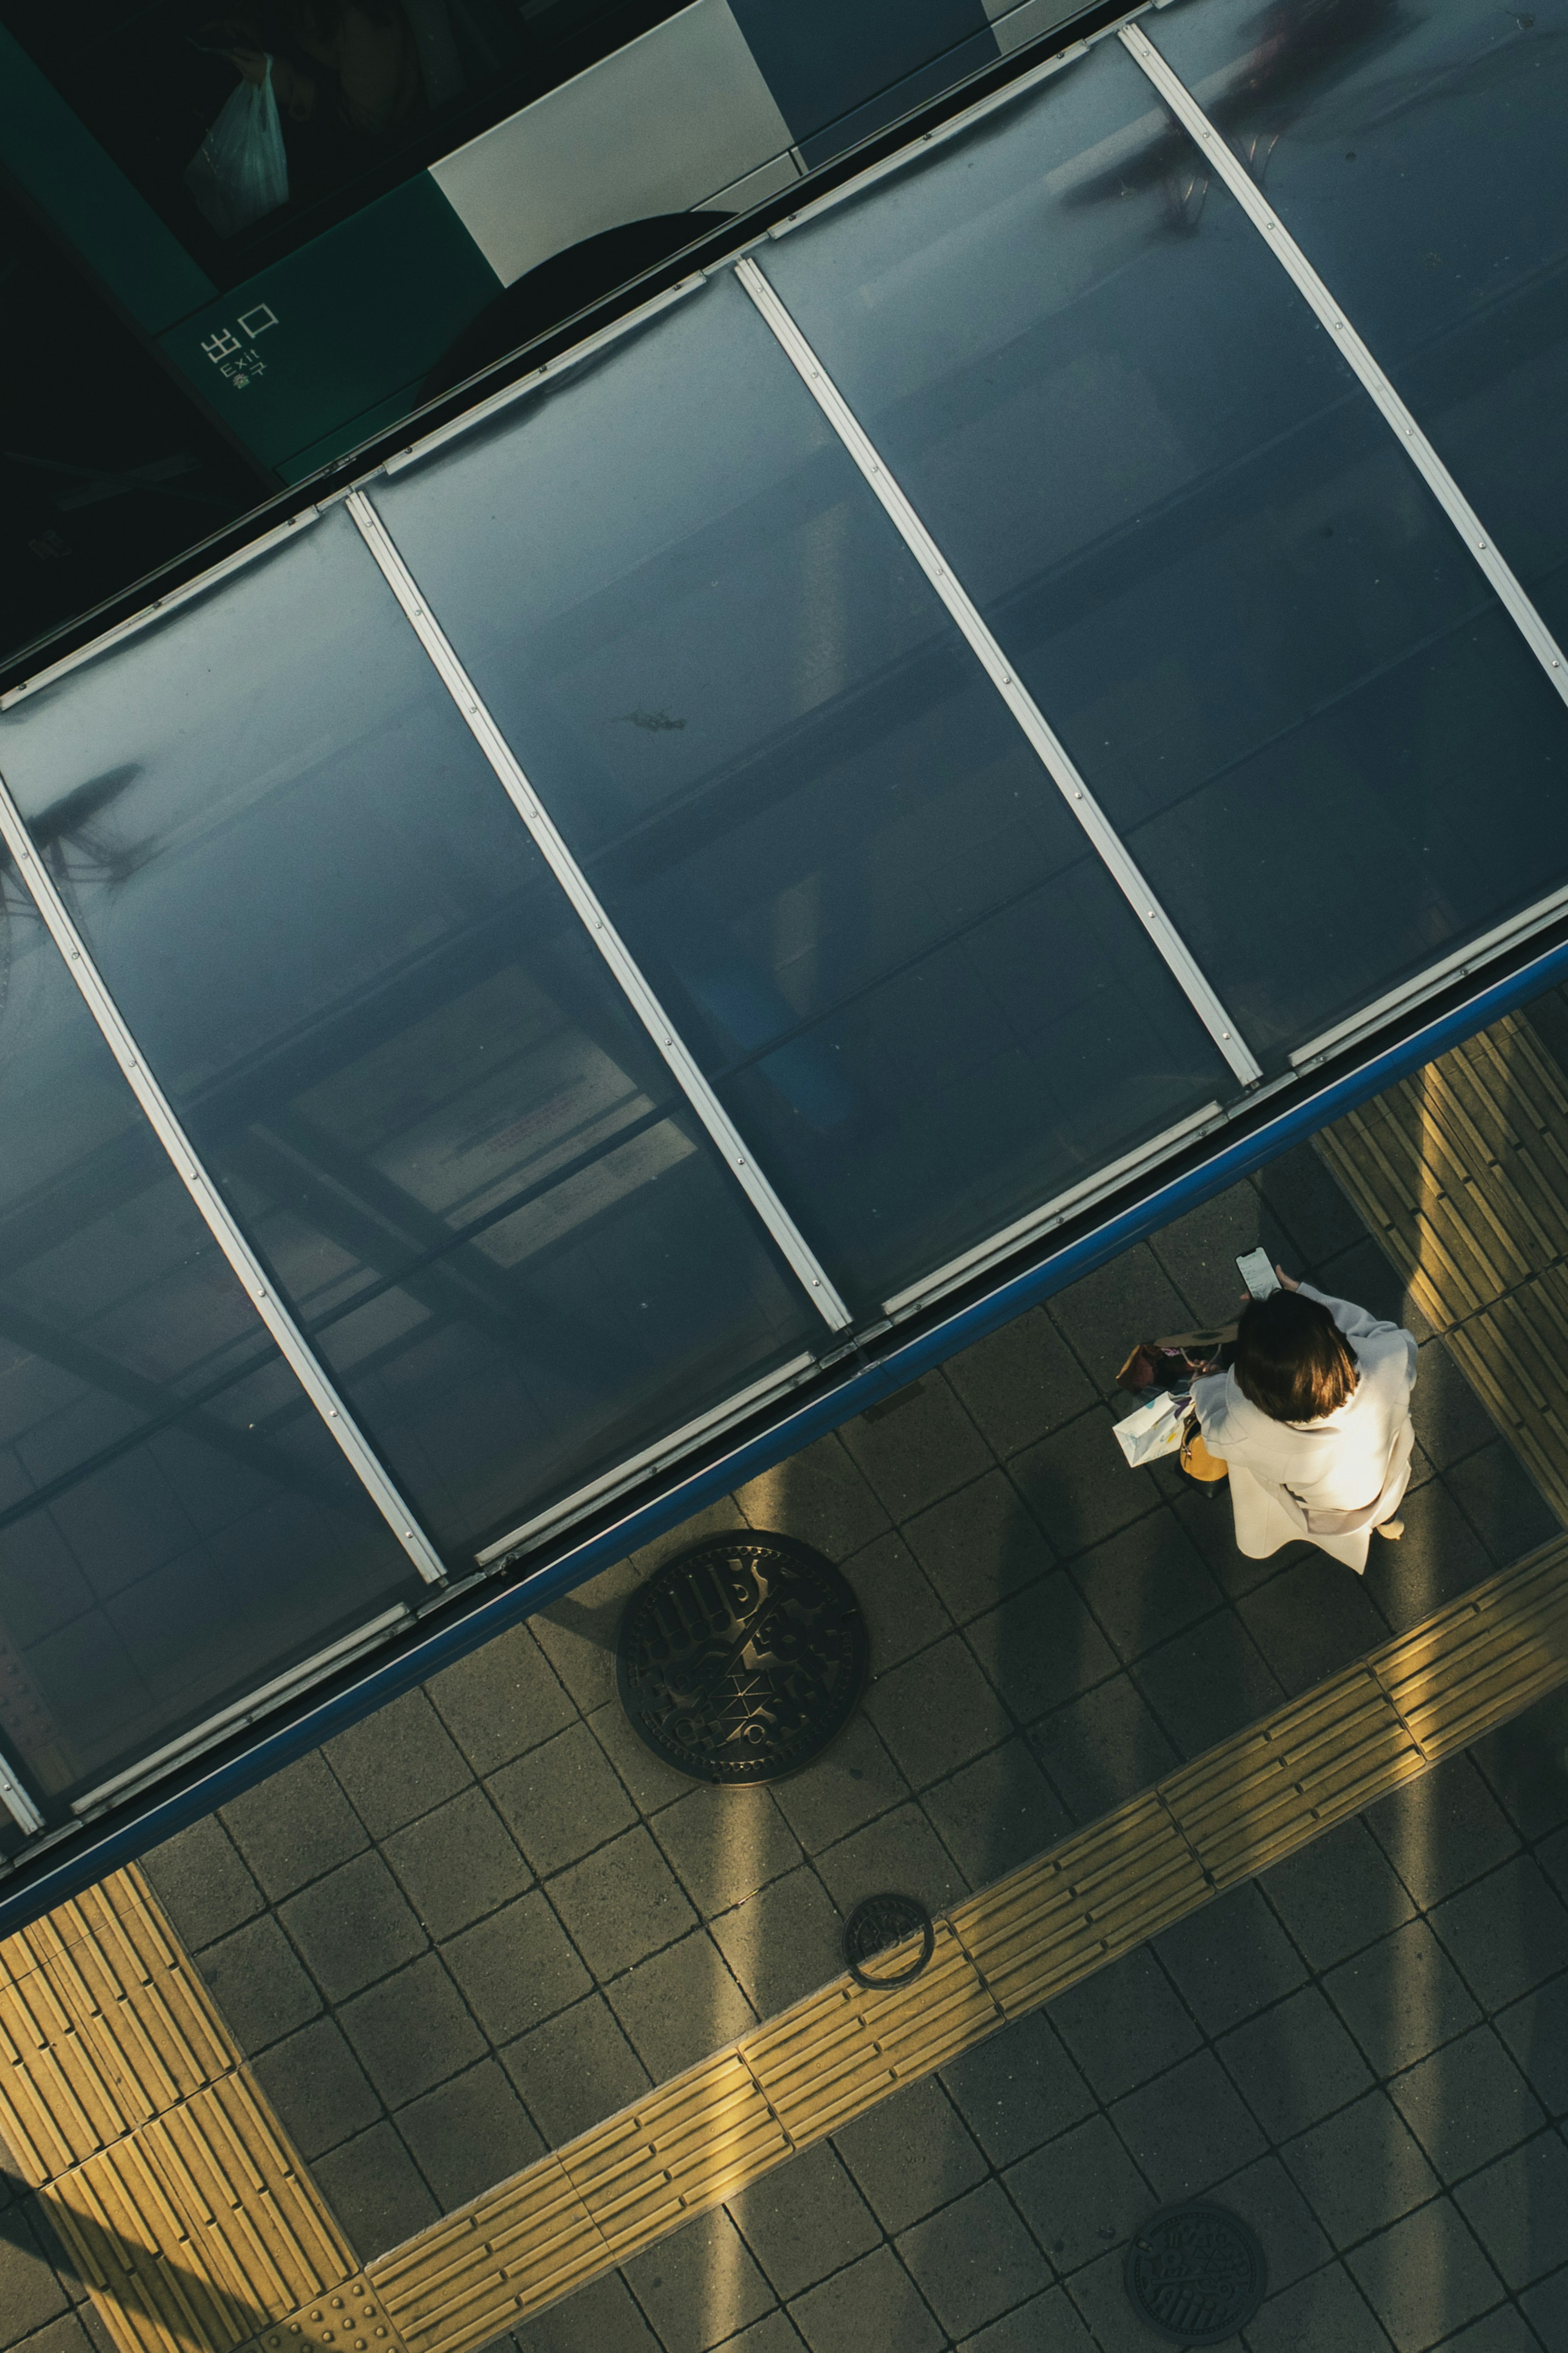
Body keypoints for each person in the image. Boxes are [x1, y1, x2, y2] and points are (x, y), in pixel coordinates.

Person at [1189, 1269, 1417, 1573]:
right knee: (1384, 1505)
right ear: (1334, 1338)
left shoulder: (1245, 1430)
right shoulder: (1391, 1364)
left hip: (1324, 1511)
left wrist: (1206, 1384)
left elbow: (1215, 1433)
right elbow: (1376, 1330)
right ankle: (1388, 1520)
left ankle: (1383, 1523)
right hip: (1380, 1483)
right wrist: (1305, 1294)